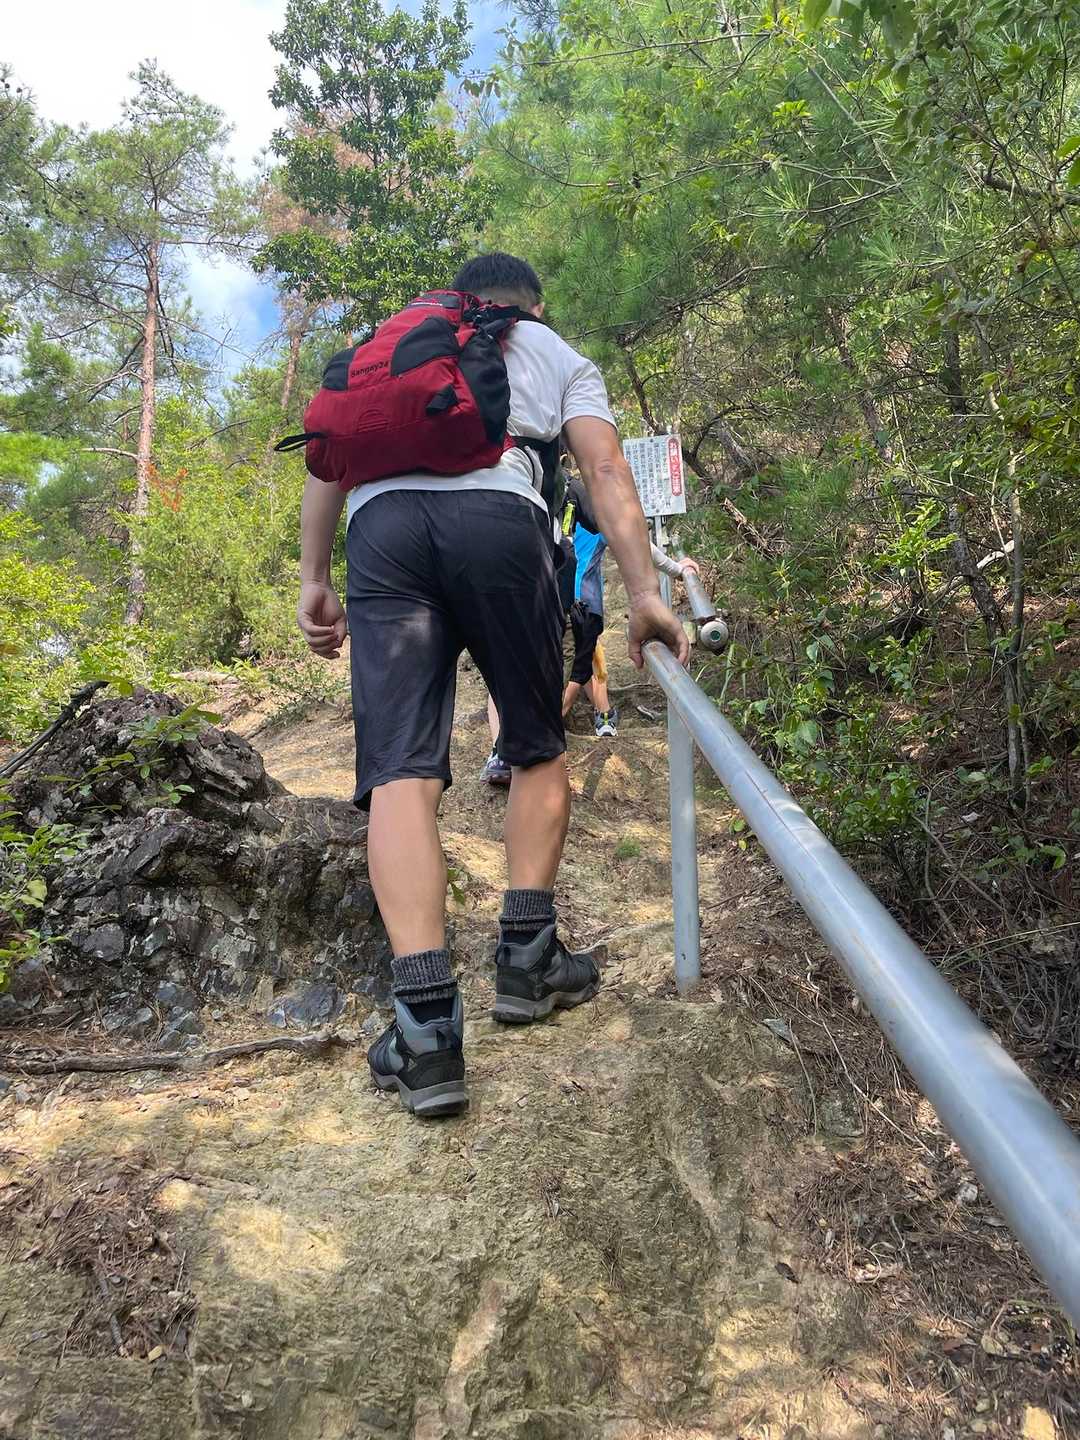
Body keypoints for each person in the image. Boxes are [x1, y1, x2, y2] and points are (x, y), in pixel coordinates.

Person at [297, 253, 688, 1119]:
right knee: (535, 743)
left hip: (383, 532)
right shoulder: (554, 353)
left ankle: (426, 1031)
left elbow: (327, 462)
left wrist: (315, 580)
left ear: (456, 299)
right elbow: (607, 474)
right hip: (502, 524)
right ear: (532, 307)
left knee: (401, 770)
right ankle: (528, 961)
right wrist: (644, 596)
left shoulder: (392, 343)